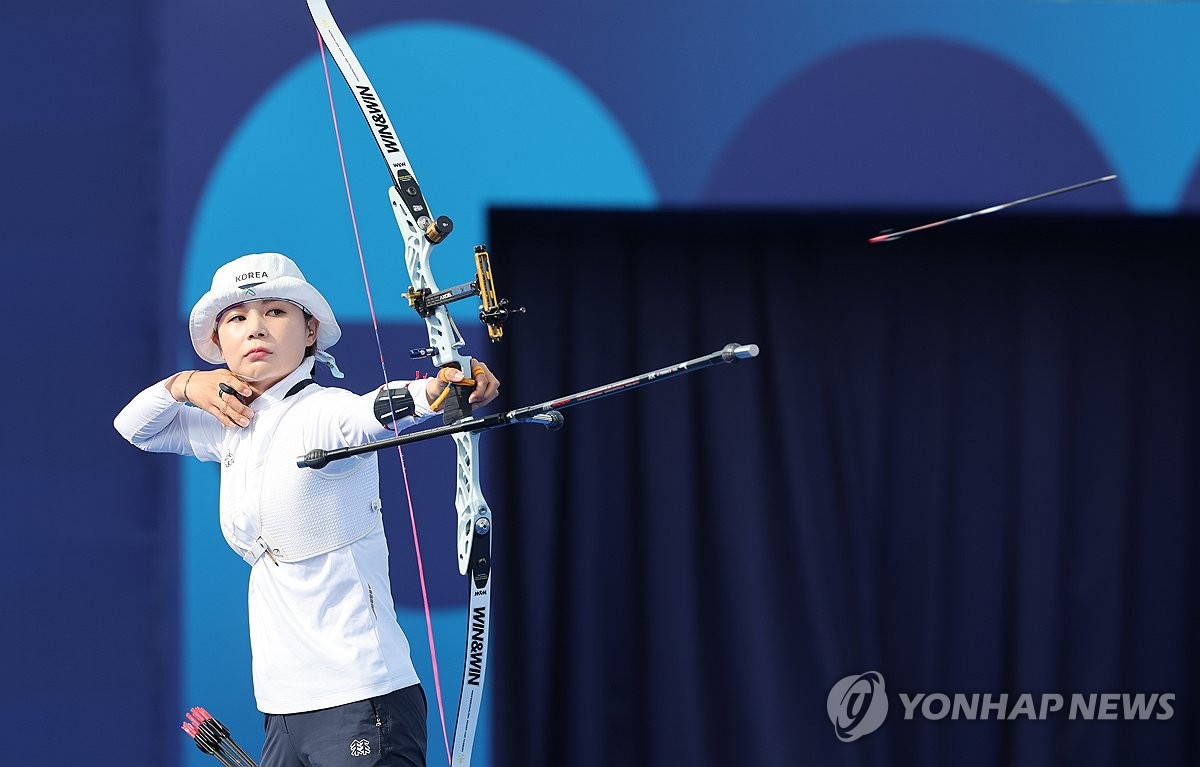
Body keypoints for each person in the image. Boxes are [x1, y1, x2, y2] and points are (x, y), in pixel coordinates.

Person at [115, 252, 499, 767]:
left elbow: (374, 410)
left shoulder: (325, 411)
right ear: (218, 344)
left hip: (361, 698)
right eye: (236, 318)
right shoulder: (230, 424)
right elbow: (133, 428)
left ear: (311, 330)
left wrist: (441, 390)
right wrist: (181, 385)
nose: (256, 329)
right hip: (283, 705)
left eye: (276, 312)